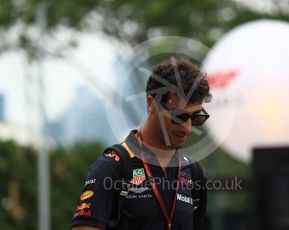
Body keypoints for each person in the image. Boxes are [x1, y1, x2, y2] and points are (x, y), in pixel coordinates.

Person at [71, 57, 212, 230]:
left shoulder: (195, 174)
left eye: (195, 117)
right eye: (179, 117)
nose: (188, 128)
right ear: (152, 104)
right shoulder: (111, 168)